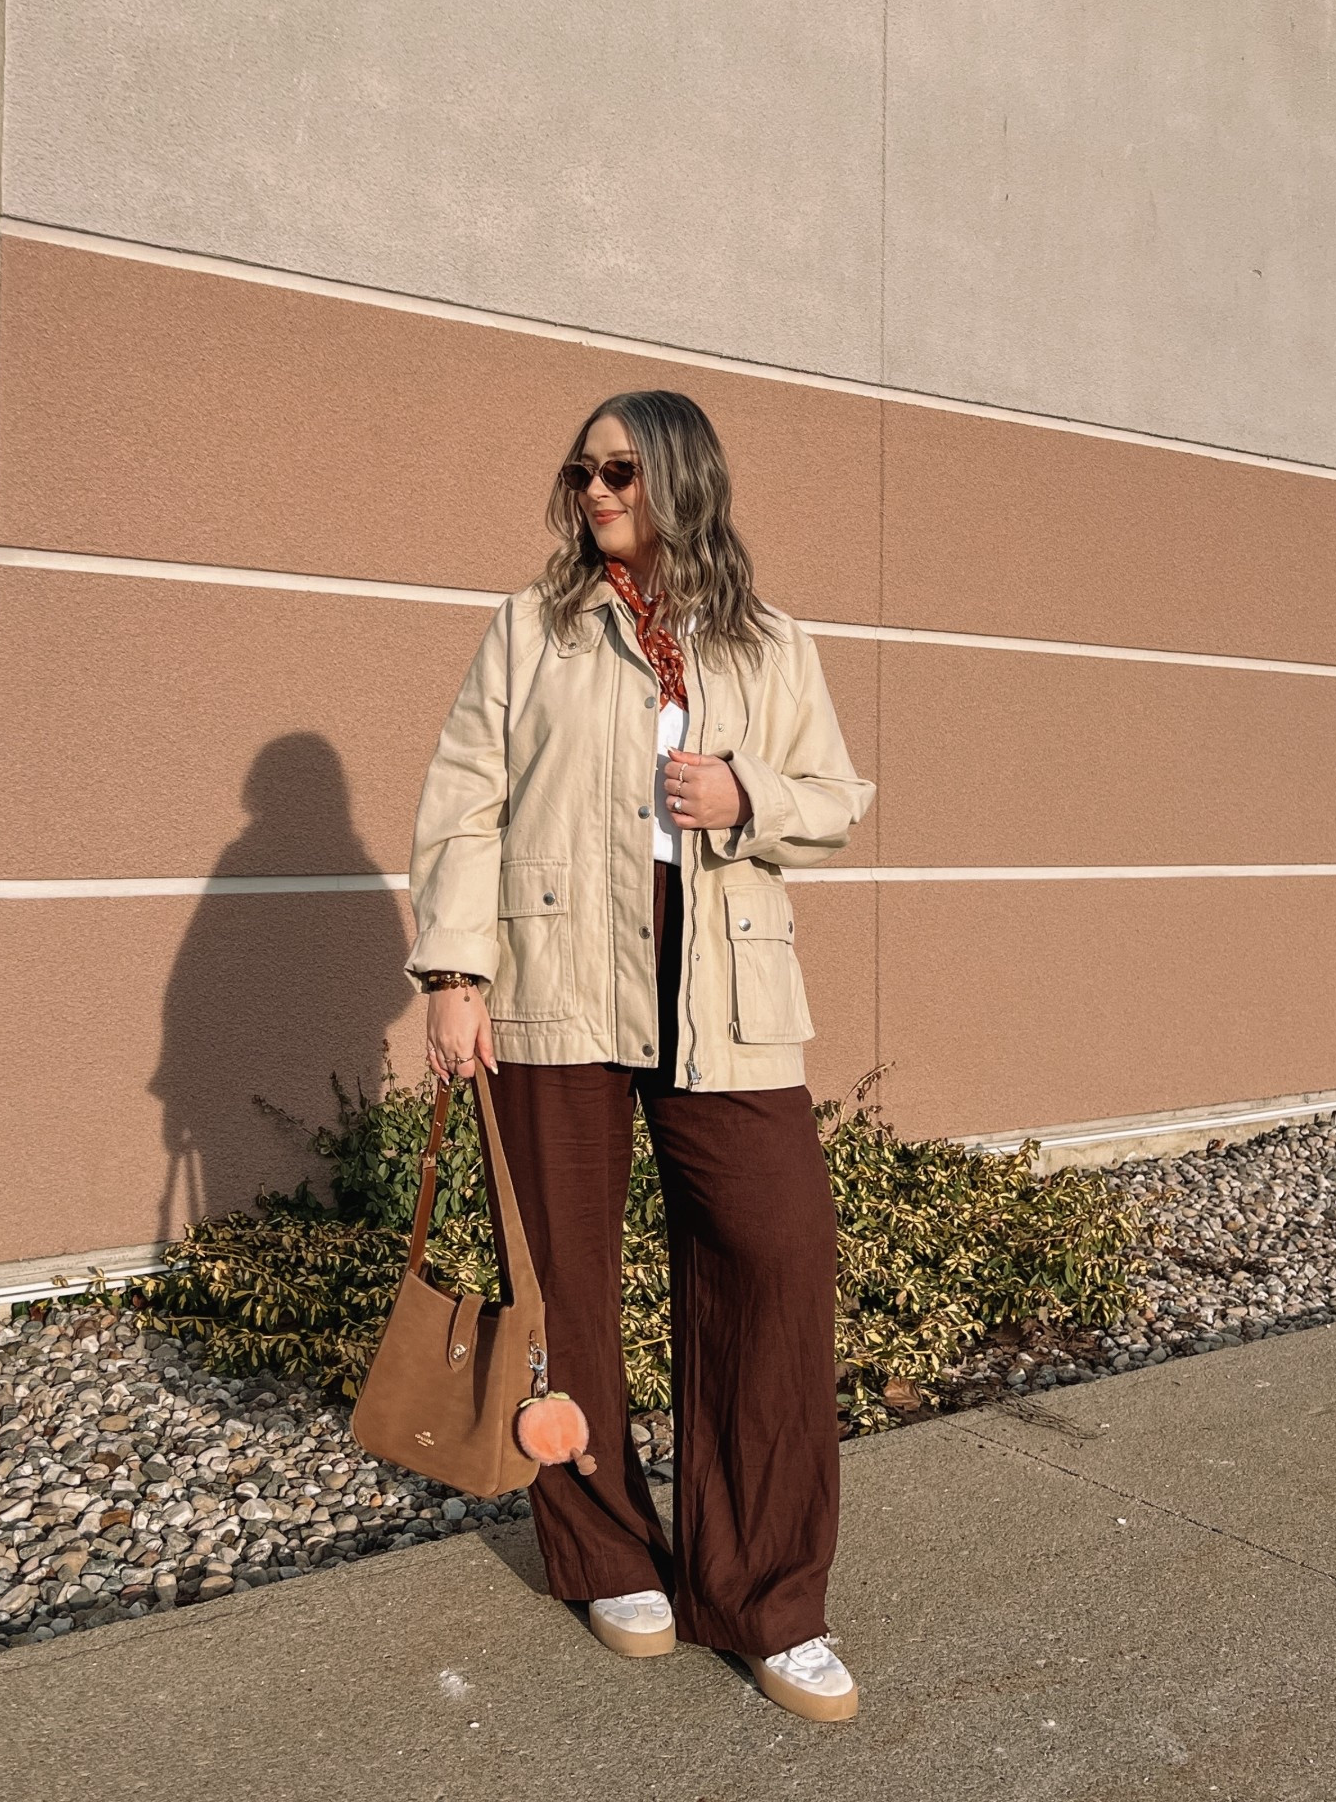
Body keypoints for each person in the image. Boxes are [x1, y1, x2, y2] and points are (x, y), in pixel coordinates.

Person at [403, 388, 876, 1722]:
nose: (596, 491)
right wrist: (455, 976)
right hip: (557, 986)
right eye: (583, 472)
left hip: (727, 998)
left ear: (681, 478)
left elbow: (836, 800)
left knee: (777, 1261)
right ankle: (609, 1551)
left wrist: (746, 795)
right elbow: (466, 803)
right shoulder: (533, 630)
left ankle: (772, 1601)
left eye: (619, 470)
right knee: (563, 1284)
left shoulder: (769, 641)